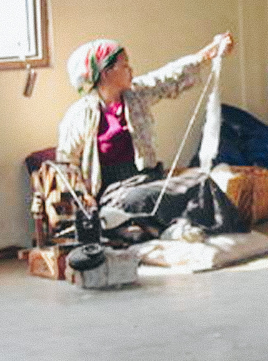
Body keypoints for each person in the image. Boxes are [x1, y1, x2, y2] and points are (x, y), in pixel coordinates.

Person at [56, 33, 245, 240]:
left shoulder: (135, 95)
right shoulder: (80, 114)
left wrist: (209, 53)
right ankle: (145, 227)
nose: (130, 69)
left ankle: (223, 232)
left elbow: (169, 77)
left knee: (199, 180)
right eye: (124, 65)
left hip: (147, 180)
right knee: (145, 198)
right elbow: (67, 162)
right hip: (114, 193)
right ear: (105, 73)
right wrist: (84, 196)